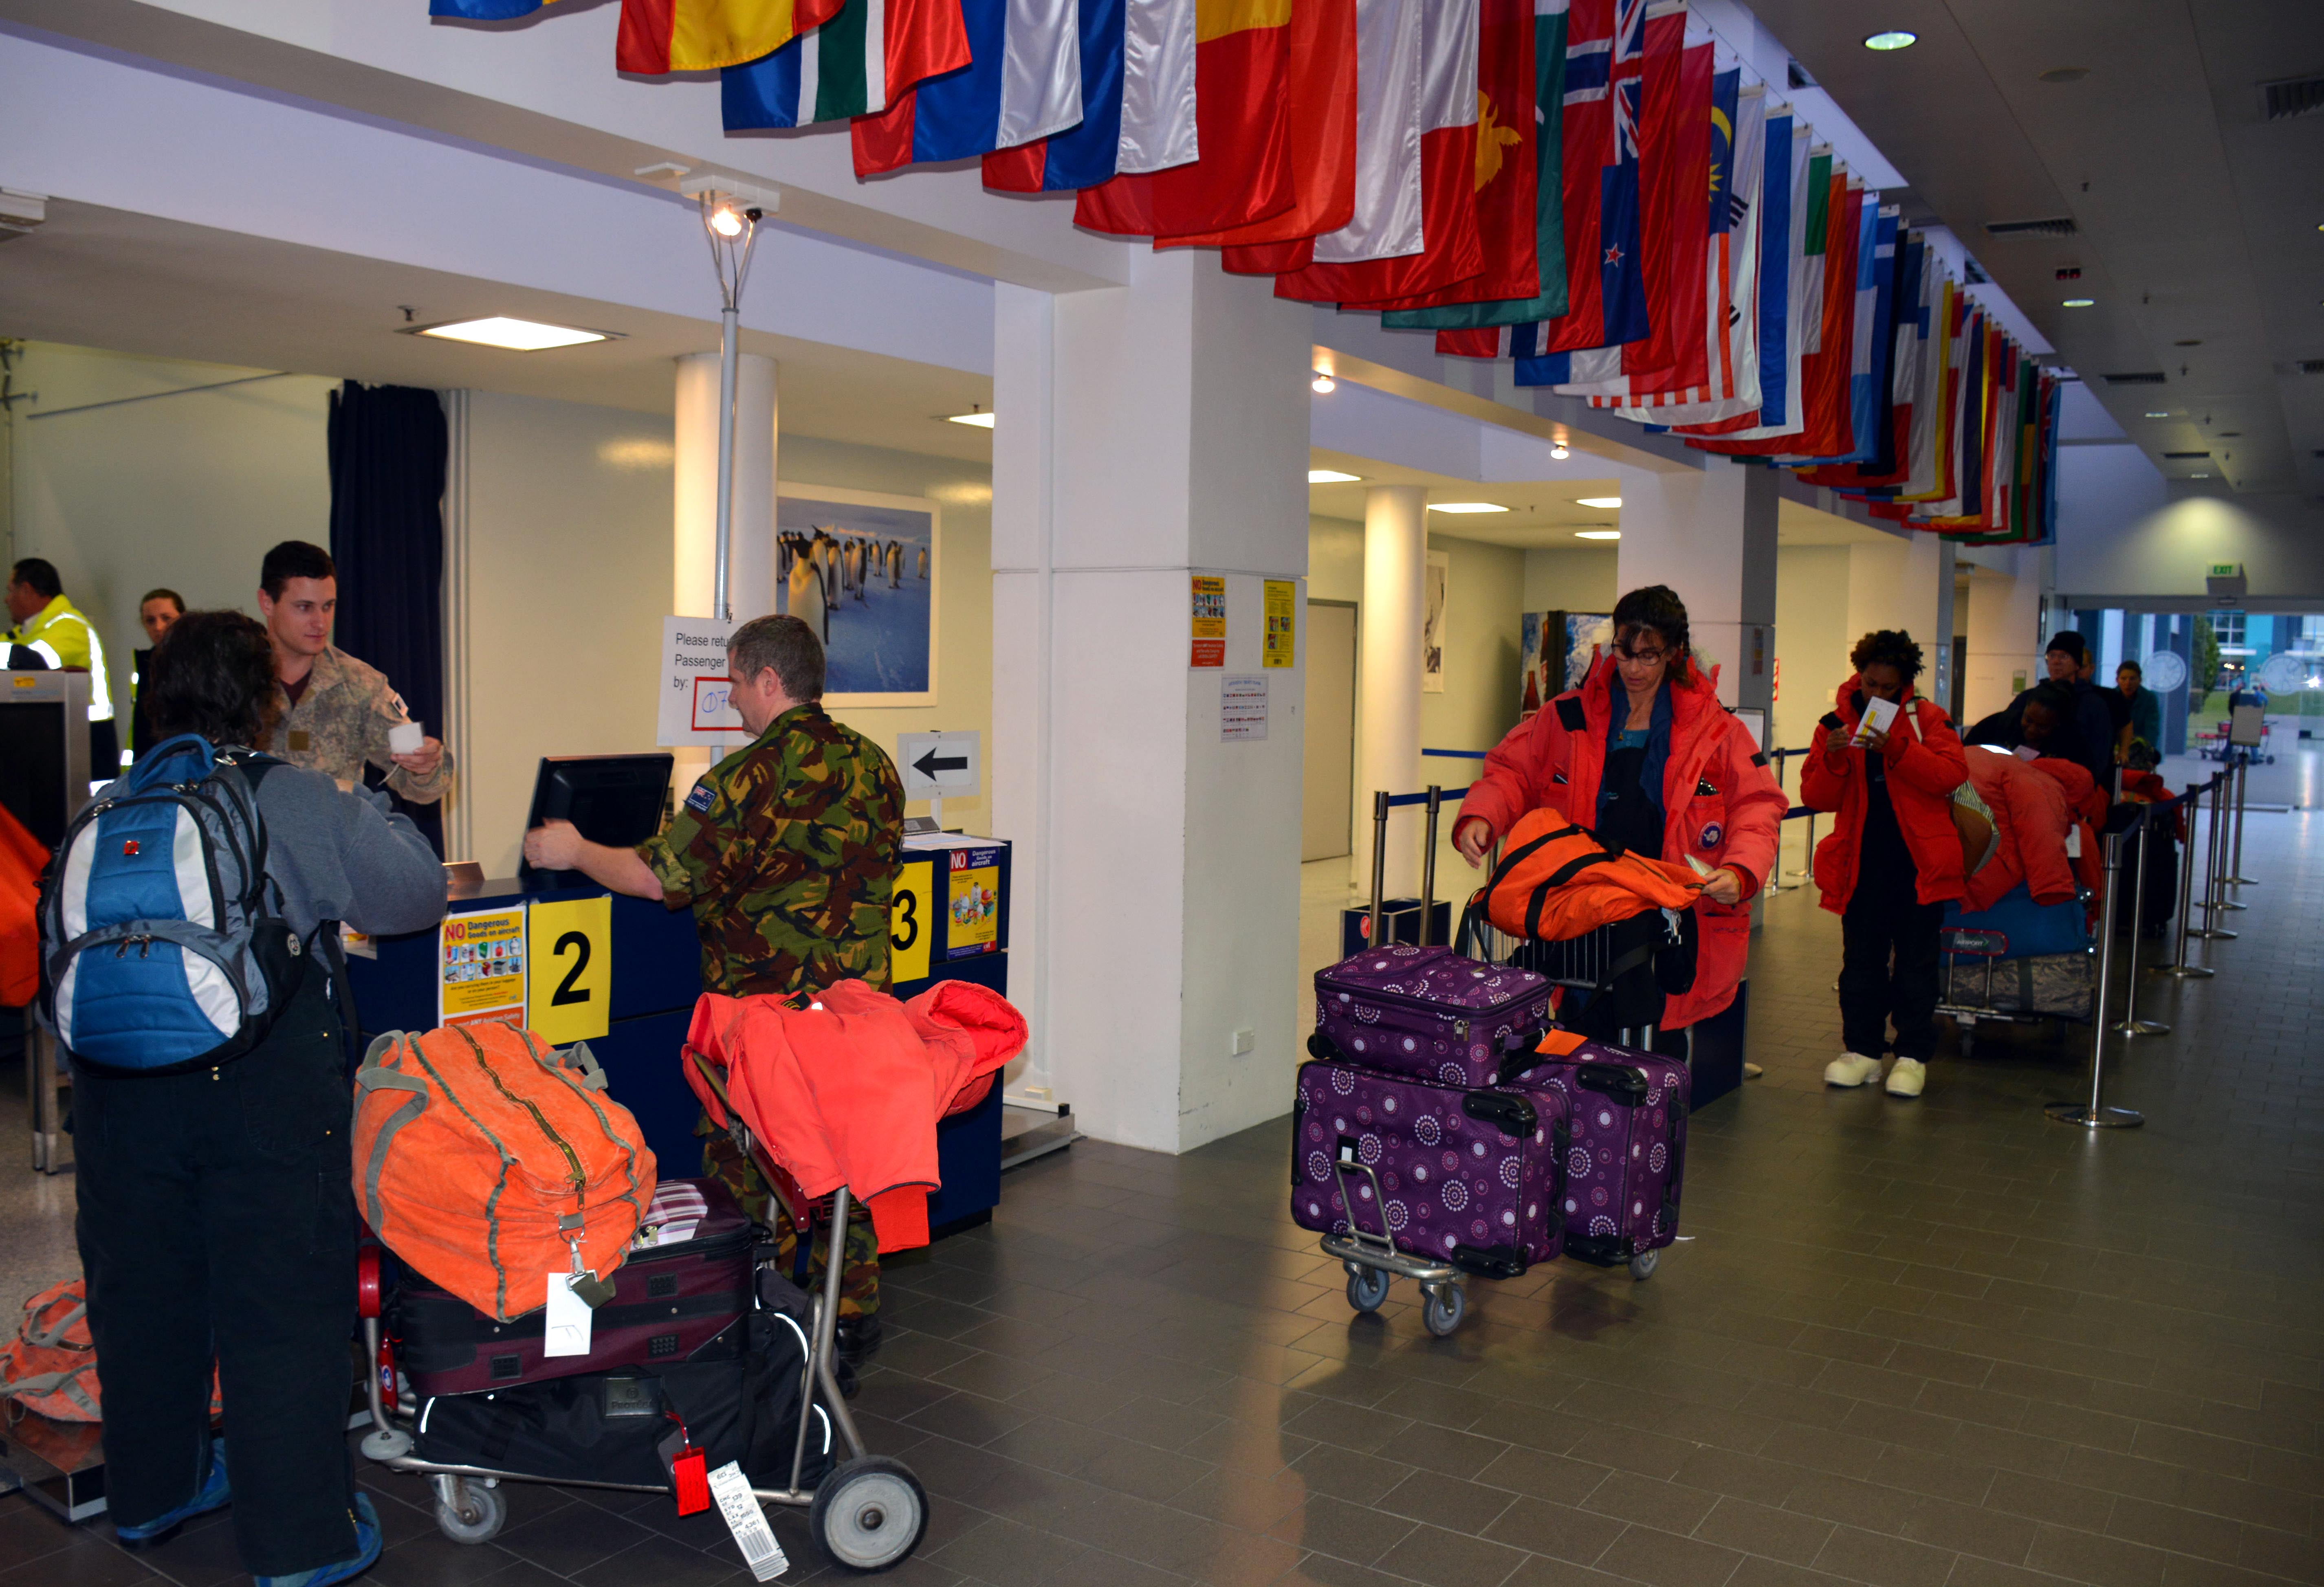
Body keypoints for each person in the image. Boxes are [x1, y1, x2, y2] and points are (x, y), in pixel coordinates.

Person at [69, 611, 445, 1587]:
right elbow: (411, 896)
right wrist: (385, 804)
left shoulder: (104, 812)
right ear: (265, 698)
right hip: (264, 1091)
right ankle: (302, 1542)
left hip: (117, 1104)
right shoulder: (288, 796)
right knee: (281, 1307)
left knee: (141, 1300)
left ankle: (155, 1493)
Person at [522, 615, 905, 1358]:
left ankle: (754, 1319)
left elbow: (656, 876)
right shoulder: (874, 764)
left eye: (733, 681)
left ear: (769, 680)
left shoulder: (744, 777)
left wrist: (571, 847)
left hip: (765, 1026)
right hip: (855, 1020)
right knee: (843, 1164)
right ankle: (847, 1318)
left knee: (749, 1160)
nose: (730, 699)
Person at [1453, 584, 1786, 1052]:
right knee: (1577, 1040)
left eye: (1648, 656)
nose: (1632, 668)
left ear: (1674, 653)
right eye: (1624, 653)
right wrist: (1483, 816)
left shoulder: (1716, 731)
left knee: (1655, 1054)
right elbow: (1513, 769)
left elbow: (1757, 805)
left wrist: (1742, 869)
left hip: (1664, 915)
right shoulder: (1568, 715)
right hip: (1582, 911)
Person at [1801, 631, 1967, 1099]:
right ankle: (1862, 1052)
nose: (1876, 693)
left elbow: (1952, 775)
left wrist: (1896, 748)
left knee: (1916, 964)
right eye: (1870, 683)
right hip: (1861, 864)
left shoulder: (1930, 720)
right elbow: (1814, 796)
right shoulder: (1833, 722)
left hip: (1920, 865)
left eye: (1887, 687)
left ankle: (1912, 1056)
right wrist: (1834, 758)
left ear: (1905, 684)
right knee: (1860, 963)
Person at [255, 541, 451, 803]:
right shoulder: (232, 678)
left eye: (328, 606)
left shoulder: (361, 684)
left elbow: (425, 788)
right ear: (267, 603)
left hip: (329, 841)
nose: (320, 622)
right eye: (305, 607)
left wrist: (426, 765)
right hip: (248, 840)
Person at [5, 557, 118, 775]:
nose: (6, 600)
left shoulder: (71, 625)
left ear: (27, 590)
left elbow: (34, 662)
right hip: (56, 747)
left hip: (87, 750)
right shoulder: (28, 633)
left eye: (11, 591)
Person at [128, 587, 186, 762]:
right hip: (148, 762)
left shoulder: (195, 664)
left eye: (167, 618)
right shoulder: (144, 663)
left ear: (183, 618)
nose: (159, 627)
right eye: (150, 621)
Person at [2116, 659, 2161, 761]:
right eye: (2124, 679)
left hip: (2140, 747)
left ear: (2140, 680)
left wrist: (2146, 749)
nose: (2128, 683)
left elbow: (2152, 729)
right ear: (2117, 680)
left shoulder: (2149, 698)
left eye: (2133, 679)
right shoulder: (2111, 697)